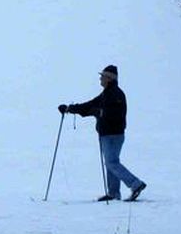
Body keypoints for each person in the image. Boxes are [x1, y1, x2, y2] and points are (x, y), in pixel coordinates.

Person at [58, 65, 147, 202]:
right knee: (112, 162)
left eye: (102, 76)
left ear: (109, 78)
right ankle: (113, 194)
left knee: (111, 162)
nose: (100, 78)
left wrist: (99, 112)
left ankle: (136, 184)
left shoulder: (116, 94)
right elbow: (89, 105)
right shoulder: (107, 93)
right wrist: (70, 109)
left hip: (113, 135)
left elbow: (115, 114)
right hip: (108, 135)